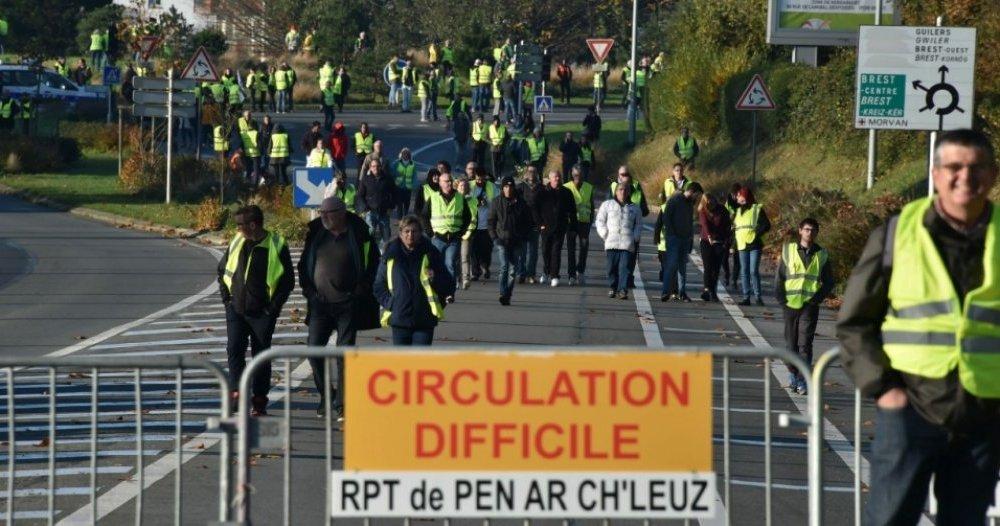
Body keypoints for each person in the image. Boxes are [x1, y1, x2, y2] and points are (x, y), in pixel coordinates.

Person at [837, 129, 1000, 525]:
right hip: (910, 411)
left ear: (993, 176)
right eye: (954, 167)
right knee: (890, 519)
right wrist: (884, 389)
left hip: (982, 417)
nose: (965, 176)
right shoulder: (897, 234)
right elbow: (854, 322)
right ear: (936, 173)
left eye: (977, 167)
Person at [298, 197, 379, 419]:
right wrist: (309, 292)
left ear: (341, 212)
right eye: (321, 212)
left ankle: (343, 403)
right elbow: (304, 264)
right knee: (314, 350)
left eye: (328, 212)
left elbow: (373, 263)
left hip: (347, 304)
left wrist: (360, 290)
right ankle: (327, 396)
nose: (323, 216)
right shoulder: (316, 233)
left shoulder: (359, 233)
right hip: (319, 305)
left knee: (344, 355)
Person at [218, 205, 294, 416]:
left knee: (260, 356)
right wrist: (227, 300)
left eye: (240, 225)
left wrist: (272, 309)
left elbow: (287, 282)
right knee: (234, 350)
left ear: (253, 225)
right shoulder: (238, 240)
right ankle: (236, 393)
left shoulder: (276, 244)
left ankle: (259, 400)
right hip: (237, 310)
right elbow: (222, 270)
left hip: (262, 313)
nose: (237, 229)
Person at [374, 216, 455, 345]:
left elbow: (448, 283)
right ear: (400, 234)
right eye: (407, 231)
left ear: (420, 233)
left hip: (424, 319)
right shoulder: (390, 255)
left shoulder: (431, 253)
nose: (410, 235)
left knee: (420, 361)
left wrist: (435, 279)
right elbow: (378, 285)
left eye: (414, 231)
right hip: (400, 318)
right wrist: (390, 303)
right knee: (402, 363)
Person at [776, 217, 833, 395]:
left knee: (805, 345)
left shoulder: (821, 254)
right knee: (791, 345)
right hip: (790, 305)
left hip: (809, 305)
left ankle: (802, 380)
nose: (810, 233)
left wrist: (817, 298)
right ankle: (793, 374)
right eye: (807, 229)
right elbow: (780, 277)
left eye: (813, 230)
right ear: (800, 231)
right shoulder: (789, 250)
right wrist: (781, 299)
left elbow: (829, 281)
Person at [420, 172, 471, 298]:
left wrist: (461, 232)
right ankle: (435, 290)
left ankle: (449, 292)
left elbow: (467, 217)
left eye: (450, 181)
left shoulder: (460, 197)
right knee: (435, 265)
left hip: (453, 238)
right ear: (440, 183)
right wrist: (430, 233)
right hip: (437, 237)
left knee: (450, 264)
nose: (448, 183)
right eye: (446, 181)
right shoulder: (434, 197)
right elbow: (424, 216)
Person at [655, 182, 704, 302]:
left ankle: (682, 292)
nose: (697, 199)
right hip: (674, 239)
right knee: (671, 265)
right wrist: (672, 234)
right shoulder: (675, 200)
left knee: (682, 267)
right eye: (697, 195)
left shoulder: (689, 204)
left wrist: (691, 238)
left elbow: (689, 223)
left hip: (685, 239)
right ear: (692, 191)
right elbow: (667, 218)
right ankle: (666, 291)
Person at [488, 176, 532, 305]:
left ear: (514, 187)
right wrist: (494, 237)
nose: (508, 189)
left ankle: (508, 294)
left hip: (517, 241)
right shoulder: (496, 202)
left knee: (513, 270)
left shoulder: (521, 203)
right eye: (505, 187)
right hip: (501, 240)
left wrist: (524, 236)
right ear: (502, 188)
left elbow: (528, 222)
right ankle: (502, 292)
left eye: (510, 186)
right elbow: (491, 221)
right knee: (504, 267)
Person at [596, 183, 642, 300]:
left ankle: (622, 290)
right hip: (611, 241)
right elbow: (600, 220)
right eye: (620, 189)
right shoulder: (607, 205)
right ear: (616, 192)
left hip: (627, 243)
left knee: (624, 267)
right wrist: (604, 233)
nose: (623, 192)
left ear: (628, 193)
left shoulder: (635, 208)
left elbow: (638, 224)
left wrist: (635, 237)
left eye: (625, 190)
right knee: (611, 267)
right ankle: (613, 287)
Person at [535, 171, 577, 287]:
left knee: (556, 251)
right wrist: (539, 224)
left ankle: (554, 276)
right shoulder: (542, 192)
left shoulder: (566, 192)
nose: (557, 178)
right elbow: (535, 208)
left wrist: (573, 226)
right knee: (545, 250)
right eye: (555, 177)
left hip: (560, 227)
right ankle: (545, 271)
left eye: (559, 176)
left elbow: (572, 210)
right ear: (550, 178)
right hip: (545, 227)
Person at [610, 167, 650, 288]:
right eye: (622, 174)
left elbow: (645, 209)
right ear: (618, 175)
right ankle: (617, 278)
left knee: (631, 256)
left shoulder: (637, 189)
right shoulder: (613, 186)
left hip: (632, 228)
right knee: (616, 255)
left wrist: (635, 212)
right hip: (617, 228)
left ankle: (628, 278)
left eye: (626, 174)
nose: (624, 176)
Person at [733, 186, 770, 306]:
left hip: (754, 244)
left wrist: (756, 234)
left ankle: (758, 297)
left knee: (753, 271)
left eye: (739, 195)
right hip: (742, 244)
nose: (737, 197)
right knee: (744, 271)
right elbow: (736, 229)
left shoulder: (757, 208)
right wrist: (733, 244)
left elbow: (766, 225)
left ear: (745, 196)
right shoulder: (738, 211)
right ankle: (746, 297)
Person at [697, 193, 732, 302]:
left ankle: (713, 291)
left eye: (711, 203)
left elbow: (728, 224)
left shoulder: (722, 210)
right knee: (708, 266)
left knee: (716, 268)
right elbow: (705, 224)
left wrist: (727, 239)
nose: (710, 205)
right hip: (706, 241)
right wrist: (708, 236)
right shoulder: (703, 211)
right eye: (707, 204)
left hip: (719, 241)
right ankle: (706, 289)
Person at [564, 165, 594, 286]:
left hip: (584, 222)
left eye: (580, 175)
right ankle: (571, 274)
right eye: (576, 175)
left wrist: (591, 220)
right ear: (572, 175)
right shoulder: (566, 187)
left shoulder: (589, 187)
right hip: (571, 222)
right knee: (571, 249)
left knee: (584, 246)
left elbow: (591, 205)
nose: (578, 178)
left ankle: (580, 270)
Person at [356, 158, 396, 250]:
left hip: (384, 212)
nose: (376, 168)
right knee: (369, 236)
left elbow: (394, 193)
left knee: (386, 237)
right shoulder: (365, 179)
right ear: (370, 167)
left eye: (378, 166)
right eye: (373, 166)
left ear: (381, 167)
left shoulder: (387, 179)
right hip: (370, 212)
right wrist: (365, 208)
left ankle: (383, 255)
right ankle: (370, 254)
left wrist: (391, 207)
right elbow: (360, 195)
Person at [469, 168, 497, 282]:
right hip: (473, 223)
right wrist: (477, 201)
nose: (480, 181)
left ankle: (485, 267)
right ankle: (475, 272)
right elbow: (465, 200)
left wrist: (487, 203)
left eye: (482, 178)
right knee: (473, 250)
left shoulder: (491, 187)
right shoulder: (470, 186)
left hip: (487, 224)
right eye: (477, 178)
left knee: (487, 249)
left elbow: (497, 202)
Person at [517, 166, 543, 284]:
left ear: (537, 173)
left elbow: (545, 206)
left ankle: (531, 274)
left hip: (535, 224)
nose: (531, 173)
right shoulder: (520, 187)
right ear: (526, 173)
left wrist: (543, 222)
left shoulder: (541, 188)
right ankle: (521, 274)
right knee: (521, 251)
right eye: (529, 171)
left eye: (534, 171)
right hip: (522, 223)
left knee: (533, 252)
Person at [724, 183, 743, 287]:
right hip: (727, 232)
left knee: (737, 257)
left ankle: (734, 279)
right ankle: (727, 274)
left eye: (737, 194)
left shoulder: (743, 203)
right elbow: (723, 216)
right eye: (734, 194)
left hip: (738, 233)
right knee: (724, 256)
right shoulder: (728, 203)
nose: (736, 196)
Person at [392, 148, 417, 218]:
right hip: (398, 187)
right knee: (399, 205)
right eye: (404, 154)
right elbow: (392, 173)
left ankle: (405, 218)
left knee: (407, 205)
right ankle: (400, 219)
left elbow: (415, 176)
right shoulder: (396, 163)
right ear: (401, 155)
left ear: (409, 155)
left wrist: (414, 186)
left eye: (407, 154)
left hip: (408, 188)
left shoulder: (413, 164)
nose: (405, 155)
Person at [240, 120, 262, 186]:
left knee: (248, 170)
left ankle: (247, 183)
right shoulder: (256, 133)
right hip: (256, 154)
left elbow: (241, 144)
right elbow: (260, 145)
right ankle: (255, 185)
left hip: (247, 154)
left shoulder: (243, 134)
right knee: (256, 171)